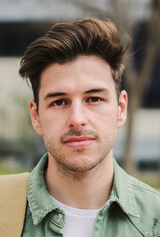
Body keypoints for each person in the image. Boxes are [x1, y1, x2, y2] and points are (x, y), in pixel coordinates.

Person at [18, 18, 160, 236]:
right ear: (36, 116)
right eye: (59, 102)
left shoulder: (155, 220)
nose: (77, 119)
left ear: (121, 109)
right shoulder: (5, 210)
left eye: (93, 99)